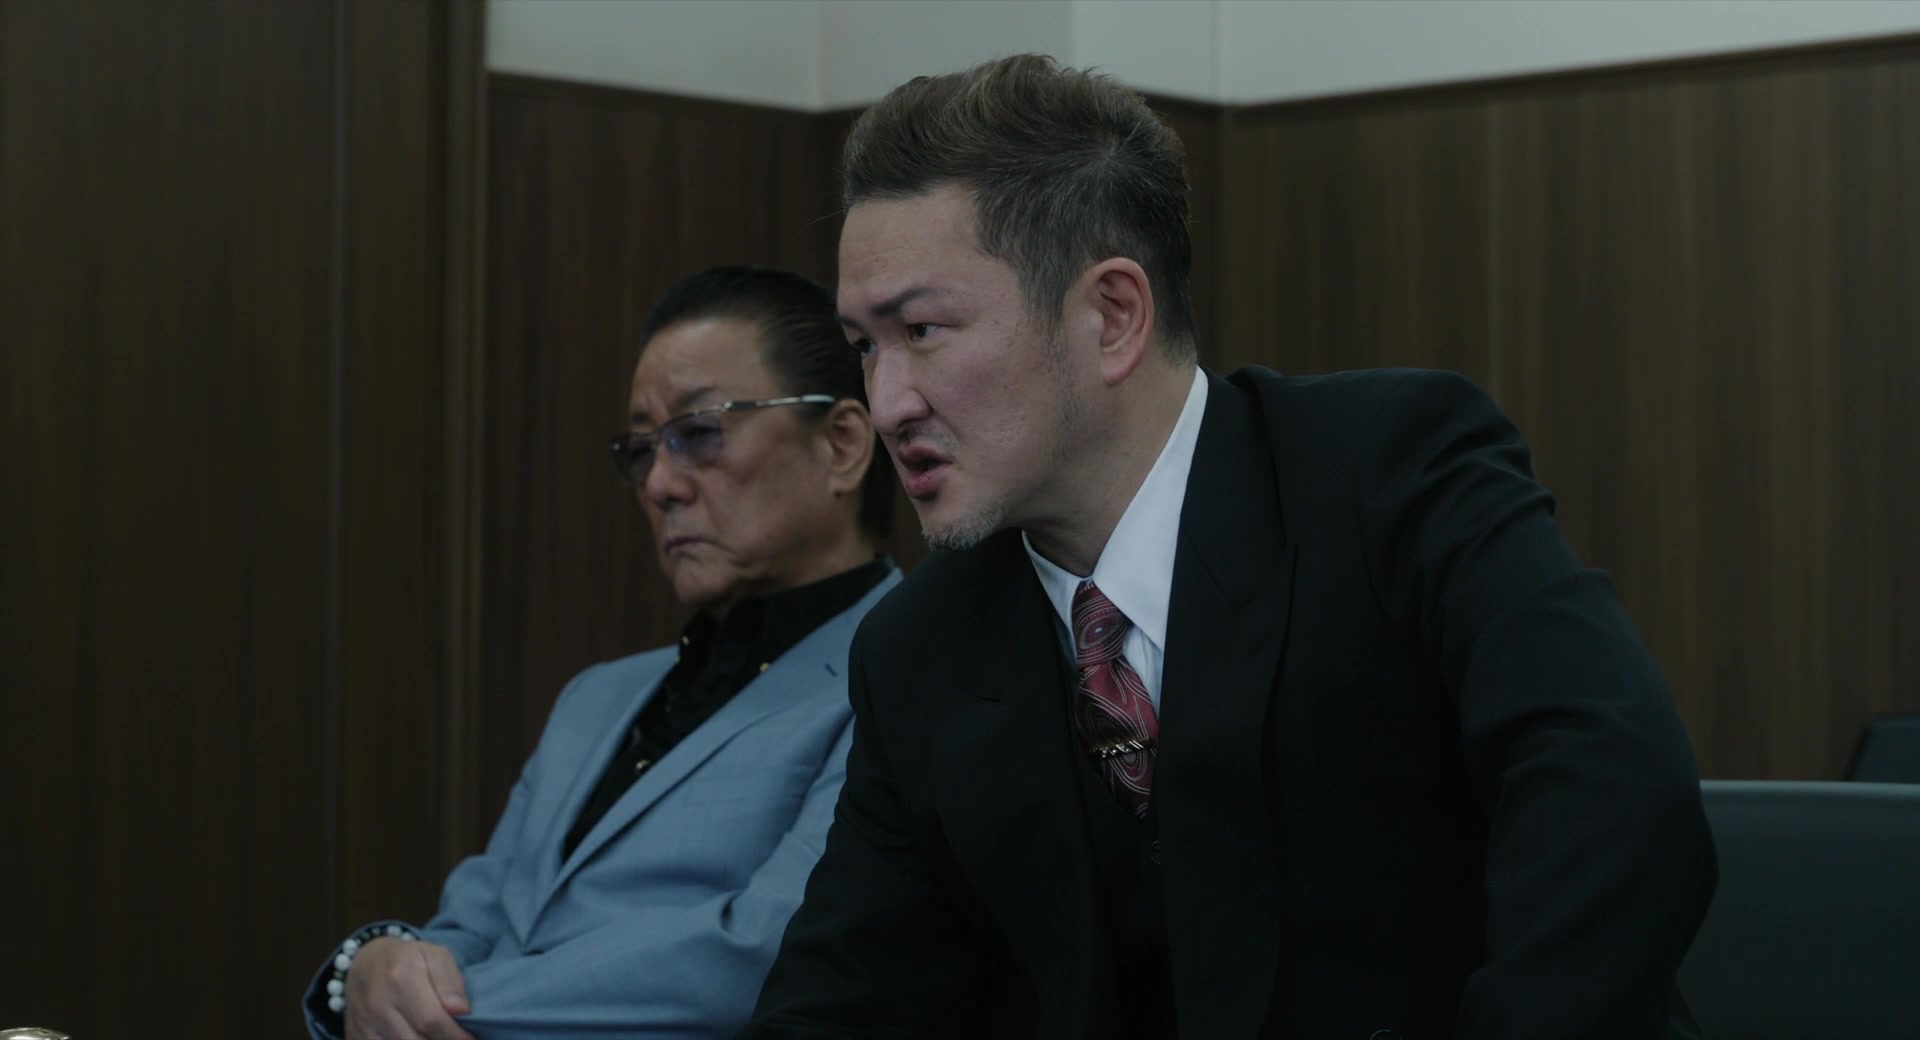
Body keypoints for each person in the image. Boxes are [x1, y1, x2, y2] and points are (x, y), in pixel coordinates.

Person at [744, 56, 1716, 1038]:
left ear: (1112, 316)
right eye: (864, 346)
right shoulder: (919, 646)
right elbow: (844, 992)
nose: (887, 403)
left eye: (922, 329)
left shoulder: (1390, 475)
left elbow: (1616, 793)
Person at [302, 266, 900, 1040]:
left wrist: (444, 1011)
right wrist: (376, 966)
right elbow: (472, 926)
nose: (659, 484)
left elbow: (762, 952)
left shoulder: (902, 678)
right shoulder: (595, 699)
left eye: (699, 433)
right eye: (642, 449)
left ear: (843, 445)